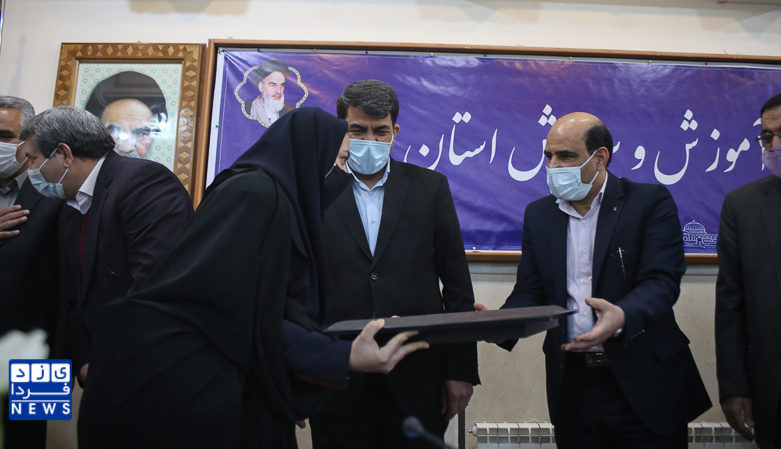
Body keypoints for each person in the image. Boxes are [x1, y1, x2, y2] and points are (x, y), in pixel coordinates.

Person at [75, 107, 428, 449]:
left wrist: (291, 377)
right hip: (201, 396)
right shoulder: (253, 195)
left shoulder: (277, 199)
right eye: (339, 161)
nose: (342, 174)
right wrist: (338, 357)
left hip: (232, 386)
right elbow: (228, 311)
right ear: (309, 155)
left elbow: (264, 304)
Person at [477, 112, 711, 448]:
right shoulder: (540, 215)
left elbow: (662, 281)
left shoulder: (648, 202)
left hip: (644, 380)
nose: (553, 166)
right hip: (574, 388)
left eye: (565, 156)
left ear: (600, 157)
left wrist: (623, 315)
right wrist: (504, 323)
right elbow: (531, 290)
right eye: (548, 156)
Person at [309, 80, 479, 448]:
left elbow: (457, 287)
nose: (370, 140)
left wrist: (461, 371)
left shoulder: (430, 188)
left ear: (395, 132)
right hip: (337, 379)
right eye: (358, 130)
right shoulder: (313, 190)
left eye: (380, 131)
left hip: (418, 380)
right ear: (341, 130)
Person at [19, 105, 193, 382]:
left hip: (142, 368)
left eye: (32, 159)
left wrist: (107, 358)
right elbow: (75, 292)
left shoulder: (143, 182)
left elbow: (155, 285)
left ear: (64, 154)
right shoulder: (74, 203)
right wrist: (85, 360)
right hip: (100, 367)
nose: (30, 169)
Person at [0, 96, 63, 449]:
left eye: (4, 135)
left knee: (25, 442)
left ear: (29, 140)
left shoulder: (60, 191)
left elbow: (72, 279)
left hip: (36, 355)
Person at [716, 92, 781, 449]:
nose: (774, 145)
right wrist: (734, 384)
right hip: (774, 391)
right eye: (767, 137)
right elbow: (731, 303)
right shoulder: (743, 206)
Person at [247, 58, 294, 126]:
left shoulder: (290, 111)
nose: (278, 91)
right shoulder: (247, 109)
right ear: (261, 86)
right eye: (273, 85)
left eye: (281, 85)